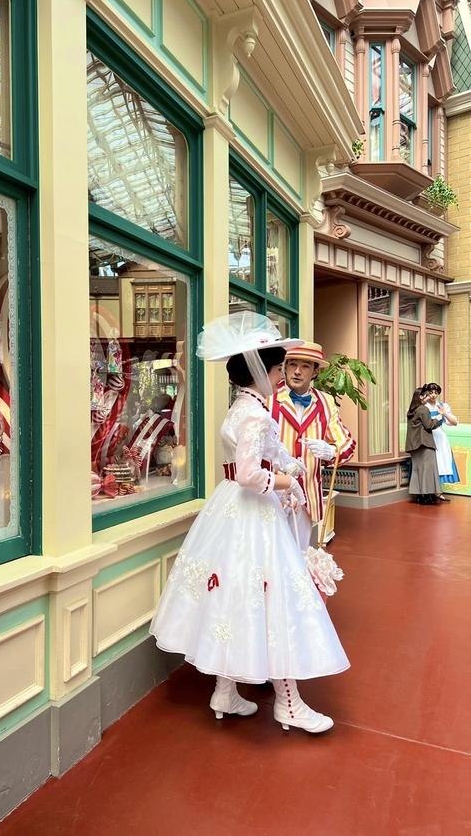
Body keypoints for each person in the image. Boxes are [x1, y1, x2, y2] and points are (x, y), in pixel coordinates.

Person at [150, 313, 349, 734]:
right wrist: (288, 481)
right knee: (276, 600)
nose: (281, 376)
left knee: (236, 596)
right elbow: (249, 474)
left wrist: (294, 462)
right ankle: (288, 703)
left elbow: (268, 452)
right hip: (253, 513)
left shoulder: (243, 407)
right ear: (263, 371)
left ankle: (225, 692)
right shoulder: (257, 415)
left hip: (230, 512)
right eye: (278, 369)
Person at [268, 342, 355, 547]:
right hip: (272, 495)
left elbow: (347, 444)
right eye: (292, 364)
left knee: (300, 554)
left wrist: (331, 451)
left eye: (305, 366)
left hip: (307, 497)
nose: (297, 371)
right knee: (272, 556)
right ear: (285, 367)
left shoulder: (325, 402)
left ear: (315, 372)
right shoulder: (269, 397)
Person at [405, 387, 445, 505]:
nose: (429, 397)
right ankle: (427, 496)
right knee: (428, 470)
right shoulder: (423, 409)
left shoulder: (412, 410)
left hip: (414, 446)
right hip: (425, 445)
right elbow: (429, 425)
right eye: (427, 395)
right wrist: (440, 416)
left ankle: (419, 496)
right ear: (421, 397)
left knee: (417, 470)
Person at [423, 383, 459, 501]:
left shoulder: (443, 406)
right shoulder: (424, 406)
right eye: (431, 392)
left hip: (440, 437)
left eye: (435, 392)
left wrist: (445, 414)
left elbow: (454, 422)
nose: (433, 395)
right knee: (430, 463)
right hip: (428, 437)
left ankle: (438, 491)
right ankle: (428, 491)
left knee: (442, 462)